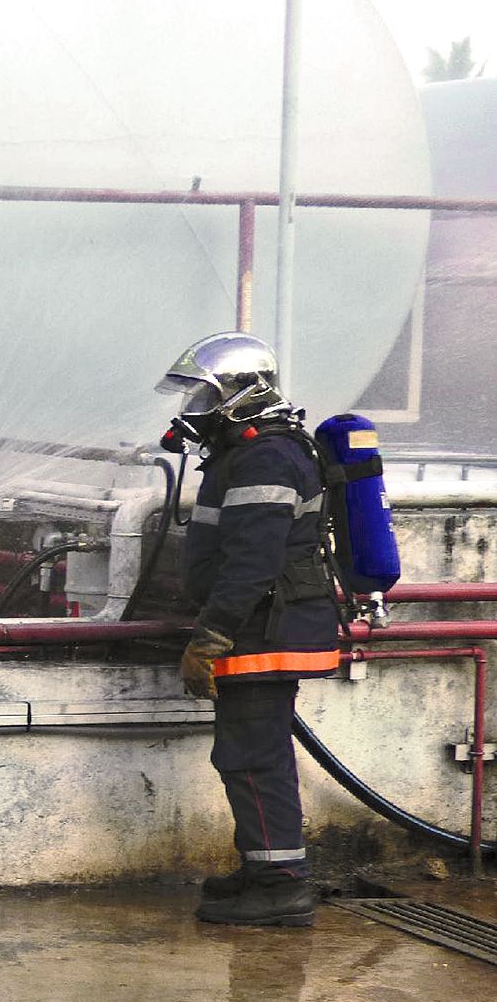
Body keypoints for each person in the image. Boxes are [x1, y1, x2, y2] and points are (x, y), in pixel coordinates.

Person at [160, 332, 340, 928]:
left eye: (206, 395)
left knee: (252, 757)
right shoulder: (250, 451)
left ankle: (281, 884)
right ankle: (262, 867)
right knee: (250, 753)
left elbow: (252, 562)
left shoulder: (266, 455)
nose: (195, 409)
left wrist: (209, 638)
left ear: (243, 393)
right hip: (263, 625)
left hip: (264, 630)